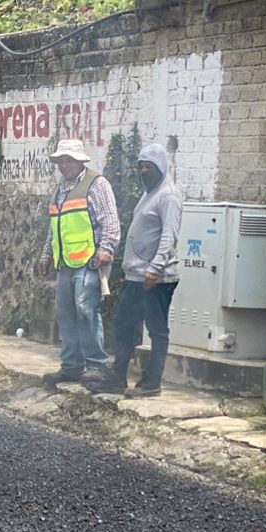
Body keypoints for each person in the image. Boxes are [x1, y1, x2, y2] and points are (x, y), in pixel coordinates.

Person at [86, 143, 182, 398]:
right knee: (123, 323)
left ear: (160, 166)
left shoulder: (168, 195)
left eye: (147, 166)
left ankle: (152, 383)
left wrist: (155, 268)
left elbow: (169, 236)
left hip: (156, 278)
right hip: (137, 275)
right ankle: (118, 377)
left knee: (157, 329)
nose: (142, 170)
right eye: (139, 166)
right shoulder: (148, 192)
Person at [41, 138, 119, 387]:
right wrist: (46, 256)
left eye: (69, 160)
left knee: (86, 312)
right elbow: (54, 229)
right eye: (61, 161)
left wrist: (106, 250)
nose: (64, 165)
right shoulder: (59, 190)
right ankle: (71, 366)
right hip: (65, 264)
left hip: (89, 261)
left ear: (79, 161)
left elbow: (110, 221)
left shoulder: (96, 185)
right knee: (66, 315)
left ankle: (95, 365)